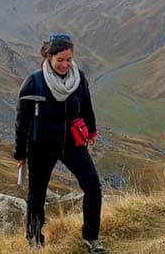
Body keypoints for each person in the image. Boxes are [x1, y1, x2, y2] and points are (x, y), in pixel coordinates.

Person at [14, 33, 106, 254]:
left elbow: (86, 106)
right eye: (60, 60)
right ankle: (35, 242)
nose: (65, 64)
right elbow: (22, 120)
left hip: (72, 143)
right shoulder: (34, 82)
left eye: (69, 59)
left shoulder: (78, 78)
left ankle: (91, 237)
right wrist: (20, 153)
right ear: (49, 57)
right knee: (37, 195)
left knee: (93, 187)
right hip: (41, 146)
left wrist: (91, 131)